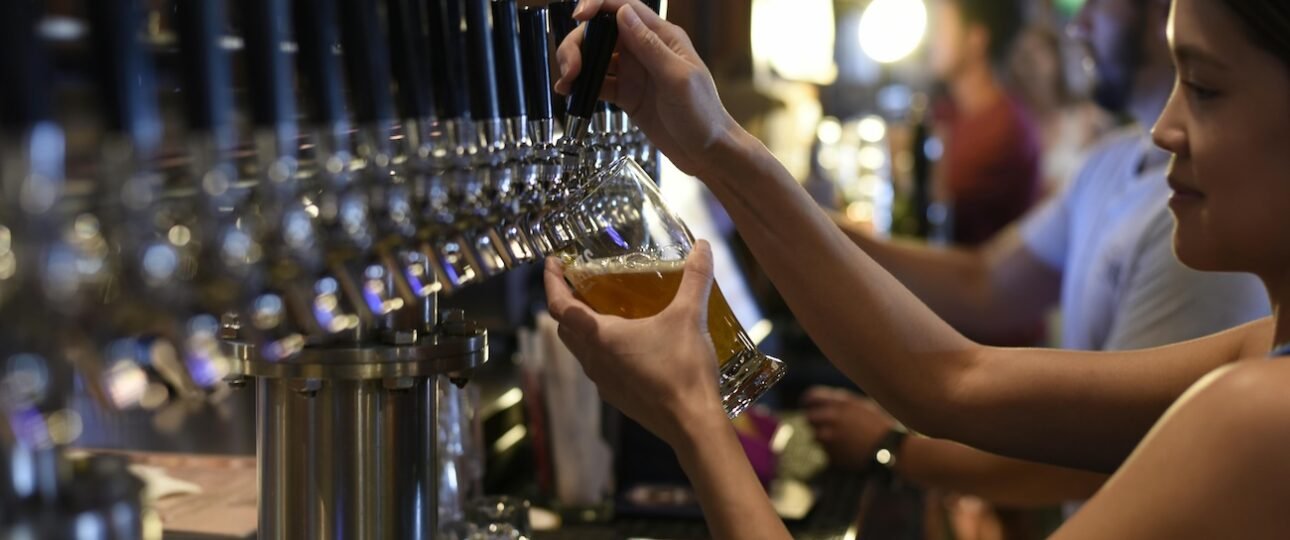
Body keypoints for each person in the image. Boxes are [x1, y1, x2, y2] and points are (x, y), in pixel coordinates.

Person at [546, 0, 1290, 537]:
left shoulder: (1260, 414)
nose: (1164, 127)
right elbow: (949, 380)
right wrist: (713, 146)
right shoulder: (1259, 355)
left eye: (1206, 88)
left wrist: (691, 416)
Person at [808, 0, 1268, 511]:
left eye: (1204, 87)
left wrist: (894, 450)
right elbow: (982, 284)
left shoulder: (1202, 222)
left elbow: (1096, 457)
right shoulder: (1114, 160)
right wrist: (813, 224)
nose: (1078, 21)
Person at [926, 0, 1042, 250]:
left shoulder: (1006, 129)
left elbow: (934, 198)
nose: (930, 40)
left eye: (940, 26)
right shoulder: (947, 111)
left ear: (976, 39)